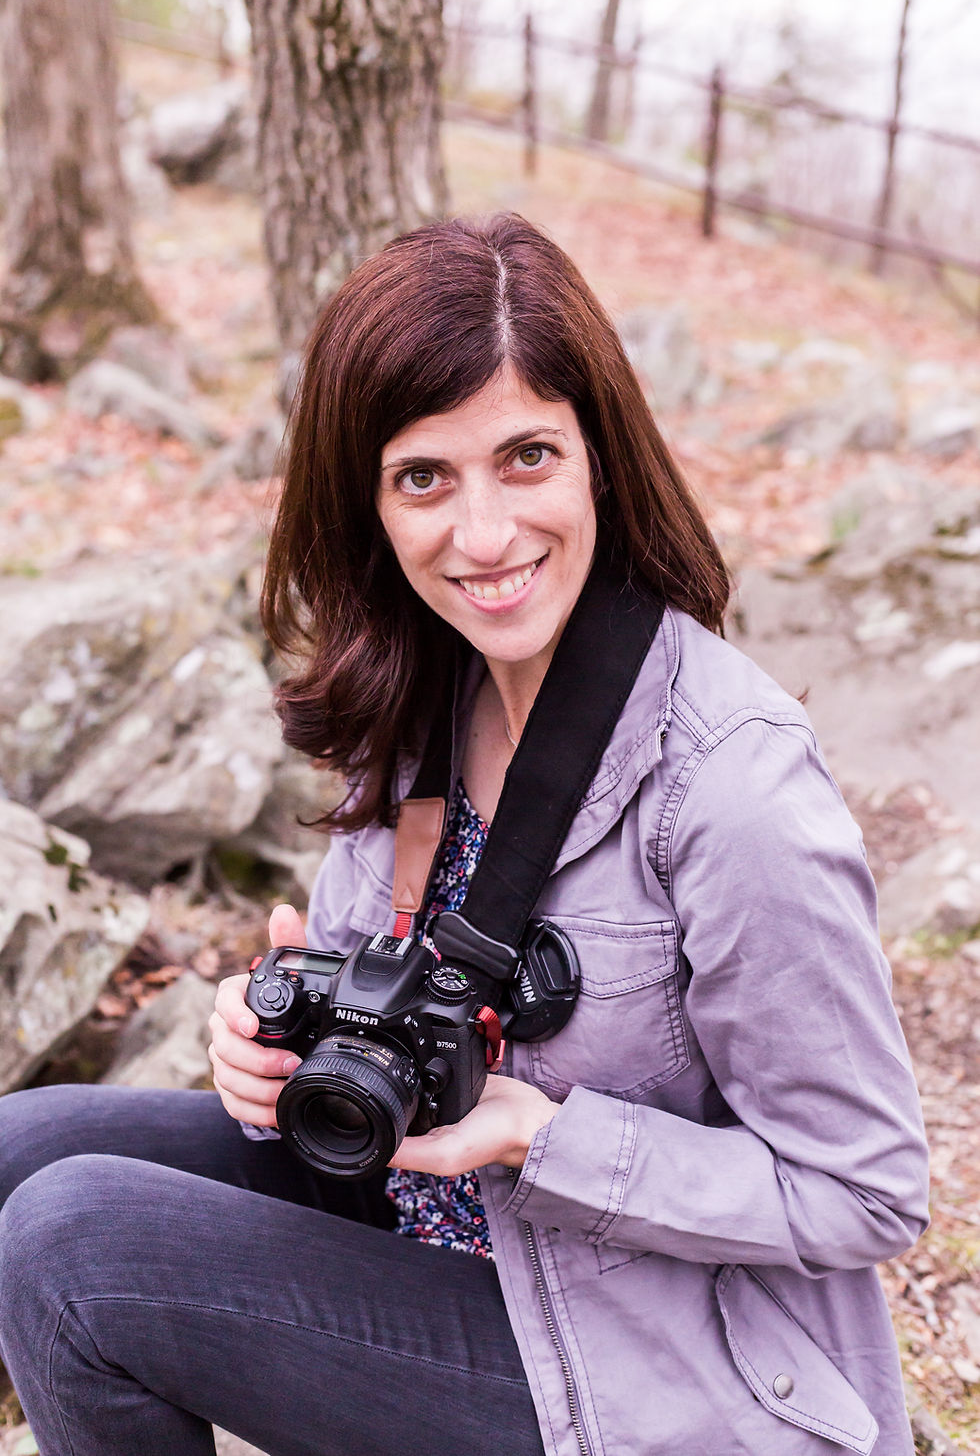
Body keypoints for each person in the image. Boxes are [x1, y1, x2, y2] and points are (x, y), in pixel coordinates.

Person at [0, 213, 928, 1456]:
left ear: (600, 459)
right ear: (369, 504)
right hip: (438, 1230)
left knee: (73, 1247)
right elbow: (371, 1035)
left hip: (653, 1363)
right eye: (423, 477)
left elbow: (863, 1189)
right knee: (22, 1152)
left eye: (526, 457)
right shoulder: (421, 703)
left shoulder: (731, 782)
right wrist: (269, 1045)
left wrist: (549, 1136)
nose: (483, 537)